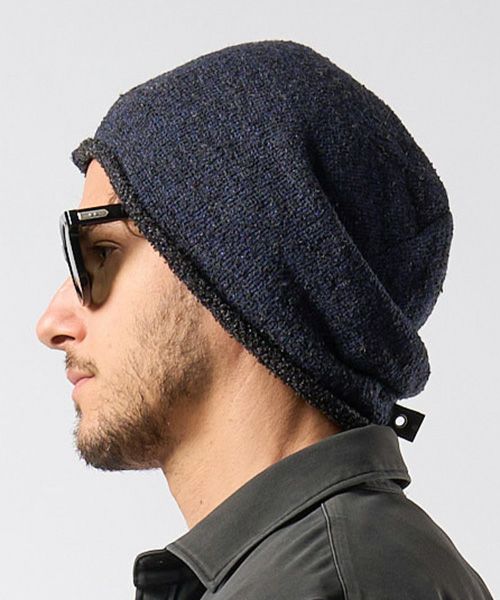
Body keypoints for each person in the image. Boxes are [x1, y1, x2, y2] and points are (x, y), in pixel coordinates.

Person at [36, 40, 493, 599]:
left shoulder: (323, 586)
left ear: (234, 278)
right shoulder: (321, 567)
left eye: (103, 252)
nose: (51, 323)